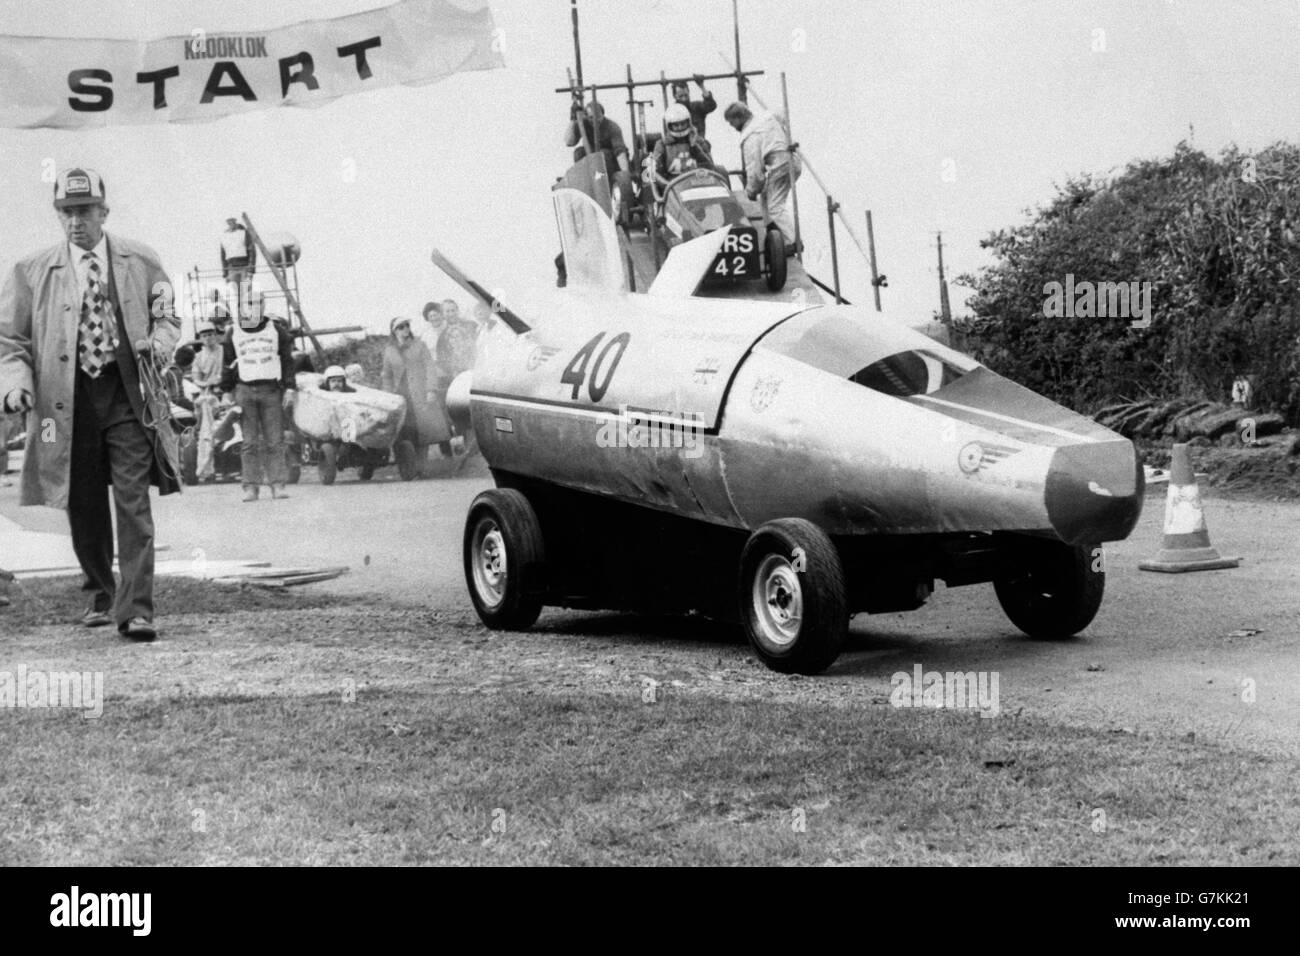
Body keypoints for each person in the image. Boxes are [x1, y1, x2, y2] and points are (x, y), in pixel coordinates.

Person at [0, 167, 180, 640]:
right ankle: (101, 591)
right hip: (63, 405)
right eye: (66, 212)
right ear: (58, 214)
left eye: (84, 211)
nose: (75, 221)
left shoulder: (141, 260)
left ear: (104, 210)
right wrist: (15, 384)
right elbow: (10, 342)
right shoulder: (30, 270)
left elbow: (168, 317)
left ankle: (137, 609)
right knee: (81, 502)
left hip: (128, 397)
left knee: (133, 499)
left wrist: (158, 345)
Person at [220, 301, 295, 502]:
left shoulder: (276, 330)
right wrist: (226, 390)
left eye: (257, 304)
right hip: (244, 390)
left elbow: (287, 360)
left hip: (271, 389)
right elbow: (227, 363)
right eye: (248, 305)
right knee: (249, 442)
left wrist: (290, 387)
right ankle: (251, 487)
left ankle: (277, 485)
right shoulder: (233, 332)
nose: (253, 308)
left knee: (274, 440)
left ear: (263, 307)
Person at [724, 101, 804, 245]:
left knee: (775, 206)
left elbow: (755, 171)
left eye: (731, 123)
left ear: (738, 118)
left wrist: (751, 192)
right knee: (766, 197)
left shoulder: (750, 136)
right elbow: (782, 115)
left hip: (782, 165)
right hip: (791, 159)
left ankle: (792, 241)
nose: (732, 126)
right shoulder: (766, 117)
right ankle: (772, 230)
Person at [381, 316, 441, 462]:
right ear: (394, 331)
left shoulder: (420, 345)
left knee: (421, 428)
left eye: (407, 325)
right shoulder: (389, 350)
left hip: (419, 393)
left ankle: (422, 463)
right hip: (400, 395)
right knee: (400, 429)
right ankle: (405, 463)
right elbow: (387, 375)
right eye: (401, 327)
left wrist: (431, 389)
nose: (405, 329)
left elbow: (430, 368)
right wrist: (388, 396)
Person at [652, 103, 717, 188]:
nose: (680, 127)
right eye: (676, 125)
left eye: (683, 124)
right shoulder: (662, 144)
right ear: (669, 126)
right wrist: (667, 185)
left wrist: (694, 146)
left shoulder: (699, 141)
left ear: (689, 123)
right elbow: (655, 172)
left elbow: (709, 167)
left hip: (698, 183)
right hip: (673, 186)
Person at [191, 320, 225, 482]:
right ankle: (206, 467)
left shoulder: (225, 351)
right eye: (205, 335)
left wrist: (220, 380)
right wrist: (207, 383)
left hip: (226, 391)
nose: (208, 338)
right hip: (208, 394)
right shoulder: (198, 357)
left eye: (211, 334)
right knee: (206, 428)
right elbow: (196, 377)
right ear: (201, 338)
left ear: (216, 335)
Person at [564, 100, 631, 179]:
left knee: (603, 154)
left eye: (598, 117)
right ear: (587, 117)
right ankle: (586, 181)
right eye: (591, 118)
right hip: (593, 159)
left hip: (611, 162)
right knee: (579, 153)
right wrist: (573, 120)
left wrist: (625, 173)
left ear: (603, 115)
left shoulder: (612, 127)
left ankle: (604, 182)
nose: (595, 121)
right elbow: (569, 142)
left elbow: (620, 152)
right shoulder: (584, 123)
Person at [671, 75, 717, 146]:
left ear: (689, 92)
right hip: (680, 149)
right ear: (674, 96)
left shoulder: (696, 107)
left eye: (686, 95)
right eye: (680, 96)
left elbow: (711, 106)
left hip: (700, 147)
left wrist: (701, 86)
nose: (684, 99)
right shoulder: (671, 113)